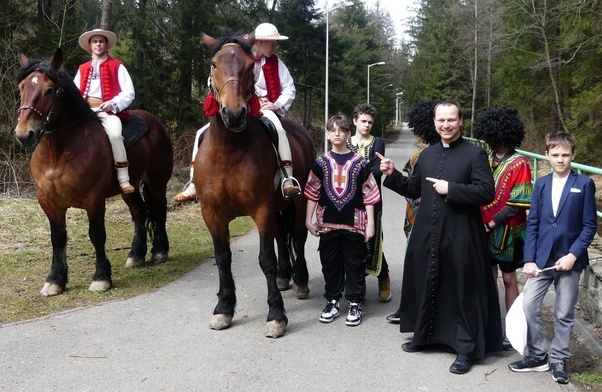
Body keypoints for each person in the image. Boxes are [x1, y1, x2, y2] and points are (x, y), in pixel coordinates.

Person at [378, 100, 503, 374]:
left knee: (462, 289)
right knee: (428, 282)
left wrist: (453, 189)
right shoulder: (427, 155)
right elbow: (414, 189)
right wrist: (392, 175)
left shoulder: (475, 154)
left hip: (462, 234)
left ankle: (465, 348)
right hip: (427, 233)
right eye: (441, 120)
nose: (446, 125)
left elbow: (486, 193)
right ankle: (425, 336)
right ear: (434, 122)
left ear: (460, 122)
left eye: (451, 120)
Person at [173, 22, 300, 202]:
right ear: (260, 42)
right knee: (201, 133)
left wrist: (275, 104)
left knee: (278, 130)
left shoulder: (276, 63)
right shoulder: (236, 57)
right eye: (272, 42)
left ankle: (287, 177)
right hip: (238, 104)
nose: (275, 46)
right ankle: (193, 182)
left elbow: (289, 88)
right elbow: (217, 79)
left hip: (263, 109)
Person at [508, 132, 597, 385]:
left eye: (565, 155)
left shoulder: (585, 184)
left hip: (570, 260)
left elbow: (589, 226)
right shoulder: (541, 184)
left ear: (573, 155)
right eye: (555, 155)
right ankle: (538, 355)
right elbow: (533, 223)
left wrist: (573, 255)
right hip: (542, 258)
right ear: (546, 155)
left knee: (564, 311)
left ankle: (559, 358)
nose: (560, 160)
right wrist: (529, 260)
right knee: (529, 304)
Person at [304, 114, 380, 327]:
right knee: (330, 263)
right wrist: (308, 220)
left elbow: (370, 194)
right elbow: (312, 192)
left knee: (355, 263)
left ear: (348, 134)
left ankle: (355, 303)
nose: (337, 134)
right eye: (332, 130)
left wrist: (371, 223)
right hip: (327, 223)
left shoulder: (360, 163)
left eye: (341, 130)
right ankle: (332, 300)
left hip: (355, 224)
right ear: (328, 134)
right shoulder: (320, 163)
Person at [474, 107, 532, 350]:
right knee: (488, 278)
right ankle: (490, 326)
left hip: (508, 232)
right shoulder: (486, 157)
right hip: (483, 229)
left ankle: (512, 328)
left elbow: (517, 203)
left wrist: (491, 222)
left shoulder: (520, 163)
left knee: (509, 279)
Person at [385, 100, 440, 324]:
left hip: (432, 219)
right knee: (413, 264)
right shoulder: (419, 156)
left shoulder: (430, 155)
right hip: (417, 217)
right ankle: (409, 308)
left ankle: (423, 311)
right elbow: (411, 187)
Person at [74, 28, 136, 194]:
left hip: (107, 111)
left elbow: (129, 92)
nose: (98, 44)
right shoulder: (82, 68)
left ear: (106, 45)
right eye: (95, 41)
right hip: (84, 112)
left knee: (115, 135)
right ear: (90, 45)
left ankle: (123, 179)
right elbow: (74, 93)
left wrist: (112, 104)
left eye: (101, 41)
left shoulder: (117, 66)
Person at [347, 103, 390, 302]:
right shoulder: (345, 142)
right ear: (355, 121)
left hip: (372, 200)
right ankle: (360, 283)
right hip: (347, 202)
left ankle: (383, 276)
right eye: (363, 121)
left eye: (370, 122)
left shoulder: (377, 143)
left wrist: (351, 172)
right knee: (353, 242)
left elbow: (376, 170)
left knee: (373, 240)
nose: (367, 125)